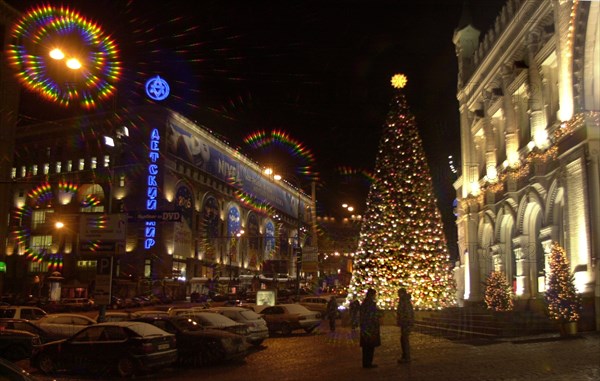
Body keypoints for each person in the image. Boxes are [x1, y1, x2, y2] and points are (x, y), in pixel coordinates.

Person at [359, 288, 381, 369]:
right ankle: (368, 363)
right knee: (370, 346)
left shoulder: (364, 303)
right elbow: (373, 316)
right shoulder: (371, 304)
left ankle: (366, 363)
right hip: (370, 328)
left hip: (365, 328)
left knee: (366, 347)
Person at [396, 287, 415, 363]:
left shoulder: (404, 301)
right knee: (403, 339)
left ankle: (406, 357)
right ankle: (405, 356)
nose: (398, 295)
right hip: (405, 322)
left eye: (399, 293)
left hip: (406, 323)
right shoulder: (404, 301)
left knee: (404, 340)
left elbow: (406, 313)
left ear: (402, 293)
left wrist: (404, 320)